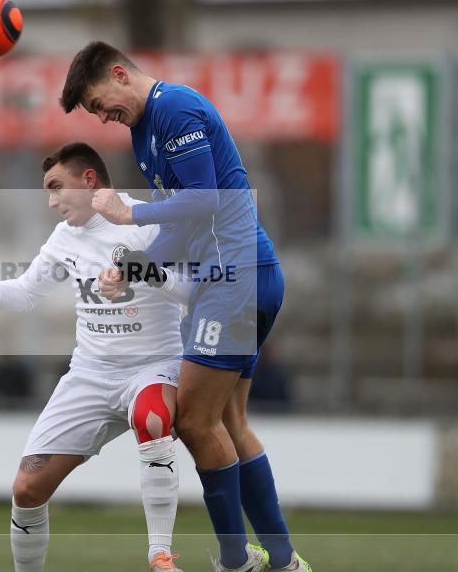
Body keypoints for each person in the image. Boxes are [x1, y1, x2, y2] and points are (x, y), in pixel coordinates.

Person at [60, 42, 310, 572]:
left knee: (195, 421)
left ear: (120, 74)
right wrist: (133, 268)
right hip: (231, 279)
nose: (104, 117)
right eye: (95, 114)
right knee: (228, 422)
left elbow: (207, 199)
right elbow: (180, 224)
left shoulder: (174, 108)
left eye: (100, 103)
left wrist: (130, 215)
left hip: (234, 279)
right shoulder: (142, 130)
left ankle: (237, 561)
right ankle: (284, 562)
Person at [0, 142, 191, 572]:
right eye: (47, 190)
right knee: (26, 489)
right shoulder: (65, 237)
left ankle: (160, 556)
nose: (52, 200)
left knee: (152, 418)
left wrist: (145, 270)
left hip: (153, 366)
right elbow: (24, 295)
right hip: (90, 375)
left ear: (90, 179)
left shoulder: (145, 222)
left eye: (57, 187)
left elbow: (193, 292)